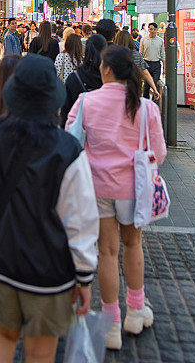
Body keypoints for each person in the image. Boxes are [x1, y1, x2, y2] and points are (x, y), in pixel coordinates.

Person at [0, 55, 99, 363]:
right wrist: (84, 277)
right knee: (40, 353)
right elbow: (80, 223)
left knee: (0, 336)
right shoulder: (68, 151)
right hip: (50, 274)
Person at [66, 45, 166, 350]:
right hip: (133, 189)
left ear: (106, 69)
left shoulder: (86, 101)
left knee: (106, 253)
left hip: (96, 188)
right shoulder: (146, 107)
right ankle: (136, 310)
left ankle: (110, 322)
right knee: (132, 245)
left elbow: (70, 142)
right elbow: (159, 153)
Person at [61, 33, 106, 126]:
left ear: (86, 50)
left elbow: (65, 114)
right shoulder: (110, 79)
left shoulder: (74, 78)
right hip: (103, 132)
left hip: (78, 131)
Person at [114, 30, 160, 102]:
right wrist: (155, 89)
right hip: (134, 90)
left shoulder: (113, 55)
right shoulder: (136, 55)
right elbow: (146, 73)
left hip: (116, 91)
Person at [139, 23, 165, 100]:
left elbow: (163, 54)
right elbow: (140, 53)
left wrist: (164, 68)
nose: (152, 31)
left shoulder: (160, 41)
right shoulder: (143, 40)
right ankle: (145, 103)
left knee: (155, 84)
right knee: (146, 85)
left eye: (154, 29)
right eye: (151, 29)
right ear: (148, 30)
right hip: (146, 63)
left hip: (157, 63)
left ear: (156, 30)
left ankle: (155, 102)